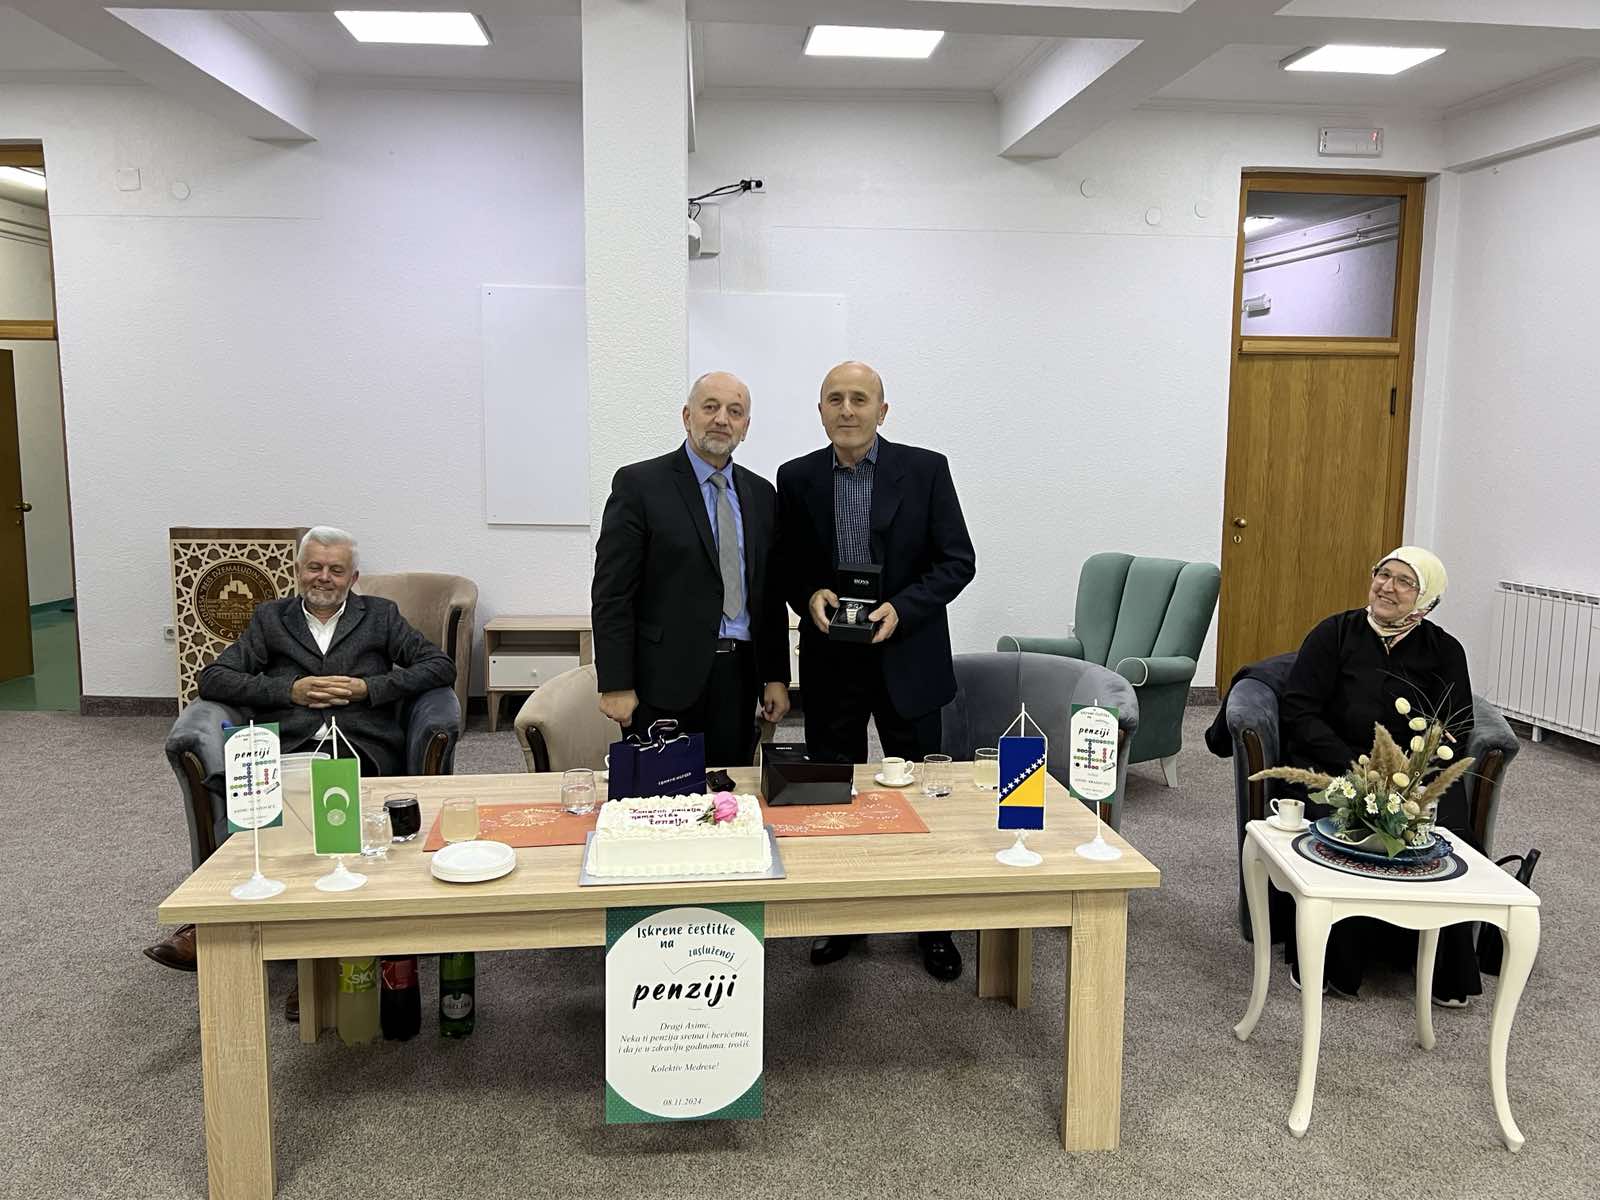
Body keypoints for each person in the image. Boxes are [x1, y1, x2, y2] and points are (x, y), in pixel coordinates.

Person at [144, 526, 457, 978]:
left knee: (323, 807)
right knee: (269, 810)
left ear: (353, 577)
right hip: (289, 748)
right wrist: (289, 690)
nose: (324, 577)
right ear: (298, 571)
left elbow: (439, 666)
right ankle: (215, 923)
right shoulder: (271, 619)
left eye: (336, 570)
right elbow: (213, 678)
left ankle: (311, 969)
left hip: (360, 747)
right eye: (315, 567)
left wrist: (368, 688)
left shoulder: (380, 616)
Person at [777, 361, 976, 981]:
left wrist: (904, 608)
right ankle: (841, 914)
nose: (847, 409)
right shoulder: (796, 477)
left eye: (859, 399)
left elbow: (957, 561)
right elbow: (786, 564)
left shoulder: (927, 469)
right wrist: (808, 593)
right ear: (820, 410)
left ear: (882, 411)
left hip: (907, 654)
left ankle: (933, 924)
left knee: (920, 794)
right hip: (831, 658)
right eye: (834, 399)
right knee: (832, 791)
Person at [1277, 545, 1480, 1005]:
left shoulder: (1445, 650)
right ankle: (1331, 963)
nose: (1387, 587)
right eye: (1382, 575)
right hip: (1336, 763)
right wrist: (1356, 766)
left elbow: (1456, 725)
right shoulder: (1334, 633)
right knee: (1342, 826)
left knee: (1448, 835)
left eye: (1405, 582)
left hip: (1415, 776)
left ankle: (1444, 970)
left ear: (1426, 598)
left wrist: (1413, 774)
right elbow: (1299, 709)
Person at [591, 372, 791, 767]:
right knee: (661, 794)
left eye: (735, 412)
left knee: (729, 790)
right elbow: (612, 593)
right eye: (710, 407)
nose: (722, 419)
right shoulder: (639, 485)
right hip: (663, 681)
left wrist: (776, 676)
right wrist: (616, 683)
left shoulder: (761, 494)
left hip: (738, 677)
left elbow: (768, 594)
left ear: (746, 427)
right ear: (687, 416)